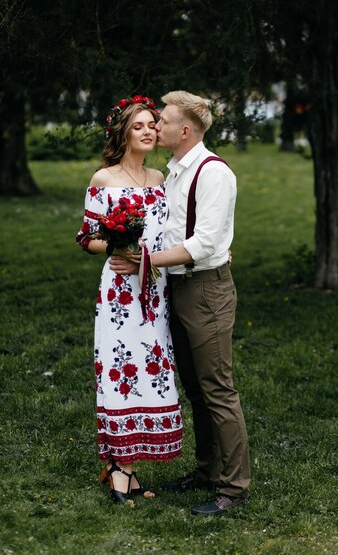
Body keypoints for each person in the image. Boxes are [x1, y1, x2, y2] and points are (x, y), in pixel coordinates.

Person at [110, 90, 250, 516]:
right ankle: (207, 471)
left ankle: (235, 487)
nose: (156, 126)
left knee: (218, 390)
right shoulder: (173, 173)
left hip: (207, 289)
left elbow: (204, 243)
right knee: (195, 388)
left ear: (184, 130)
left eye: (164, 121)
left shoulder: (213, 173)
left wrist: (143, 261)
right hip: (177, 288)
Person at [76, 94, 183, 504]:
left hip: (154, 290)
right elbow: (86, 238)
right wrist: (117, 249)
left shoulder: (160, 179)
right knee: (122, 372)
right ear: (122, 132)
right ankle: (121, 467)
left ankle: (130, 468)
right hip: (120, 293)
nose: (148, 132)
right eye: (138, 126)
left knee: (149, 371)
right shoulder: (103, 179)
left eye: (151, 126)